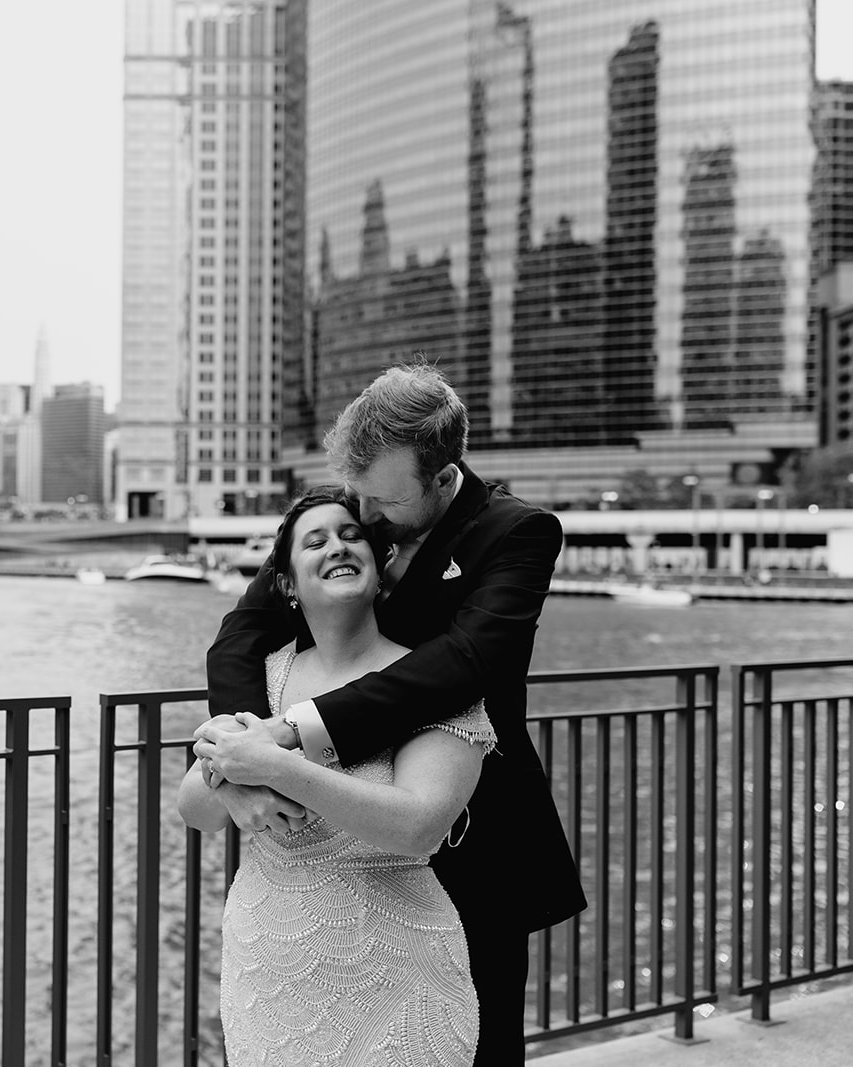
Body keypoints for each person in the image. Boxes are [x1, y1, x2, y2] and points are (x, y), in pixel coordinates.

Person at [199, 363, 586, 1065]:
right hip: (334, 854)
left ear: (442, 477)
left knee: (481, 1044)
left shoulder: (518, 532)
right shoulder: (353, 512)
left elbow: (466, 661)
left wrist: (288, 735)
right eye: (359, 493)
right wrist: (238, 760)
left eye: (384, 500)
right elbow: (241, 633)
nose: (366, 515)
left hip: (473, 832)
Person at [180, 485, 493, 1065]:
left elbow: (420, 826)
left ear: (380, 571)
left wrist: (277, 766)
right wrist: (232, 777)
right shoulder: (262, 678)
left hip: (396, 972)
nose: (337, 547)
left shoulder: (432, 680)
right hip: (266, 965)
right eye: (315, 541)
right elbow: (196, 813)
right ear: (287, 585)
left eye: (352, 537)